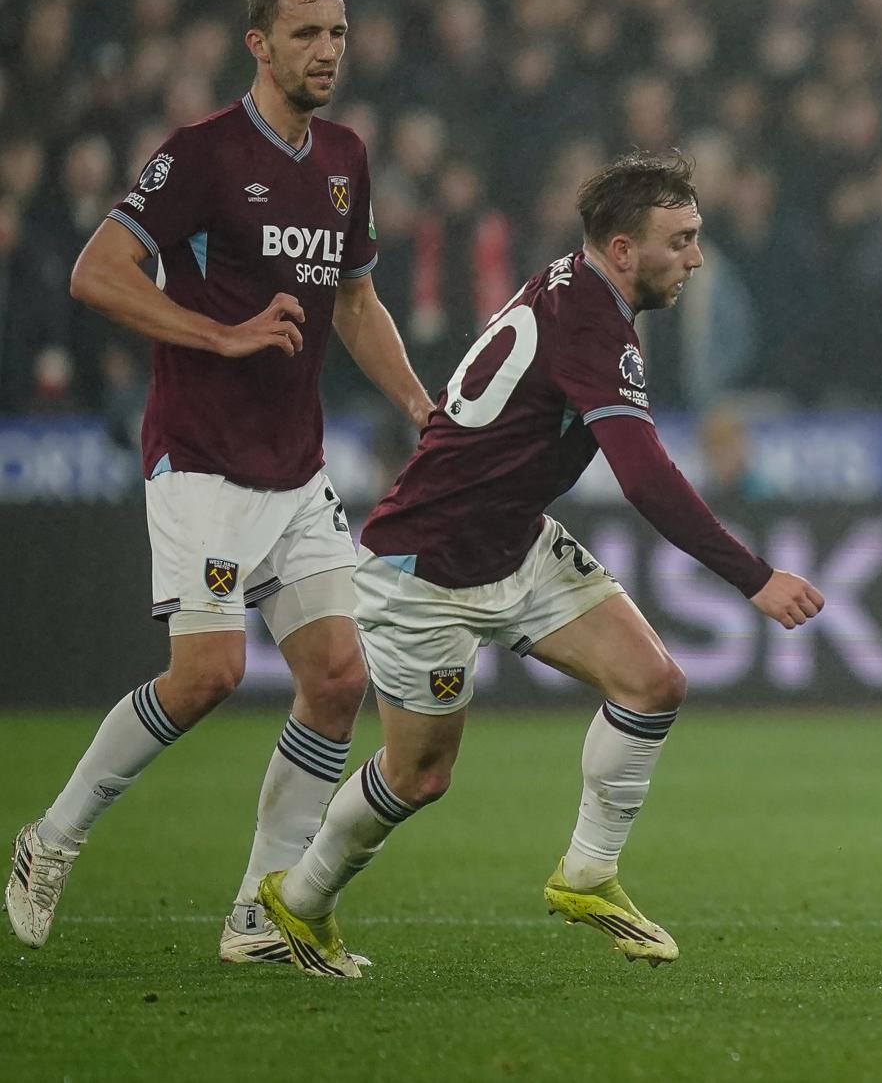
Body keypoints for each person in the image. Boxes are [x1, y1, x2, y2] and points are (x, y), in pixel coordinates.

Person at [256, 151, 823, 977]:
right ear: (624, 249)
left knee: (654, 682)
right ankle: (300, 899)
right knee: (419, 776)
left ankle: (588, 871)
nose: (696, 257)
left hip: (513, 540)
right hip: (428, 569)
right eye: (683, 239)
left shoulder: (577, 284)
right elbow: (644, 476)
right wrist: (754, 576)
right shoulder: (593, 325)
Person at [7, 0, 432, 965]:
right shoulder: (201, 153)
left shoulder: (345, 158)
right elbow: (95, 272)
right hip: (199, 459)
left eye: (337, 32)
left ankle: (259, 914)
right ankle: (49, 838)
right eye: (306, 35)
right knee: (207, 674)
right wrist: (220, 333)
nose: (326, 50)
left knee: (337, 673)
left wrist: (421, 404)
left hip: (295, 467)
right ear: (260, 44)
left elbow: (357, 305)